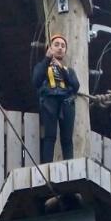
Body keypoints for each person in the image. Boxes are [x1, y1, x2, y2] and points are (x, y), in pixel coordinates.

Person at [32, 33, 80, 164]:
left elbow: (76, 86)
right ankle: (47, 164)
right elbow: (36, 81)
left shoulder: (69, 70)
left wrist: (61, 69)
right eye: (56, 45)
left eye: (63, 46)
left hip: (66, 102)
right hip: (49, 101)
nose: (60, 48)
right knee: (50, 135)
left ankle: (69, 164)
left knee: (67, 138)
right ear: (50, 47)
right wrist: (47, 60)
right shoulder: (41, 67)